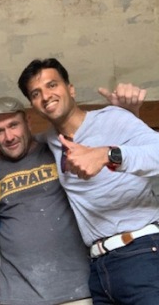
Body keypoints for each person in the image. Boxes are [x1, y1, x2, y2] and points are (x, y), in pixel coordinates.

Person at [17, 58, 159, 305]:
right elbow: (21, 144)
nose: (46, 96)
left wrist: (107, 154)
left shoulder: (112, 118)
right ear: (33, 105)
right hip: (98, 269)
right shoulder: (50, 140)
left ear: (70, 89)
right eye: (36, 93)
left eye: (52, 85)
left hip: (141, 253)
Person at [0, 96, 92, 305]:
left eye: (14, 125)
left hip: (77, 289)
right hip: (18, 294)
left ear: (28, 122)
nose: (9, 136)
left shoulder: (57, 149)